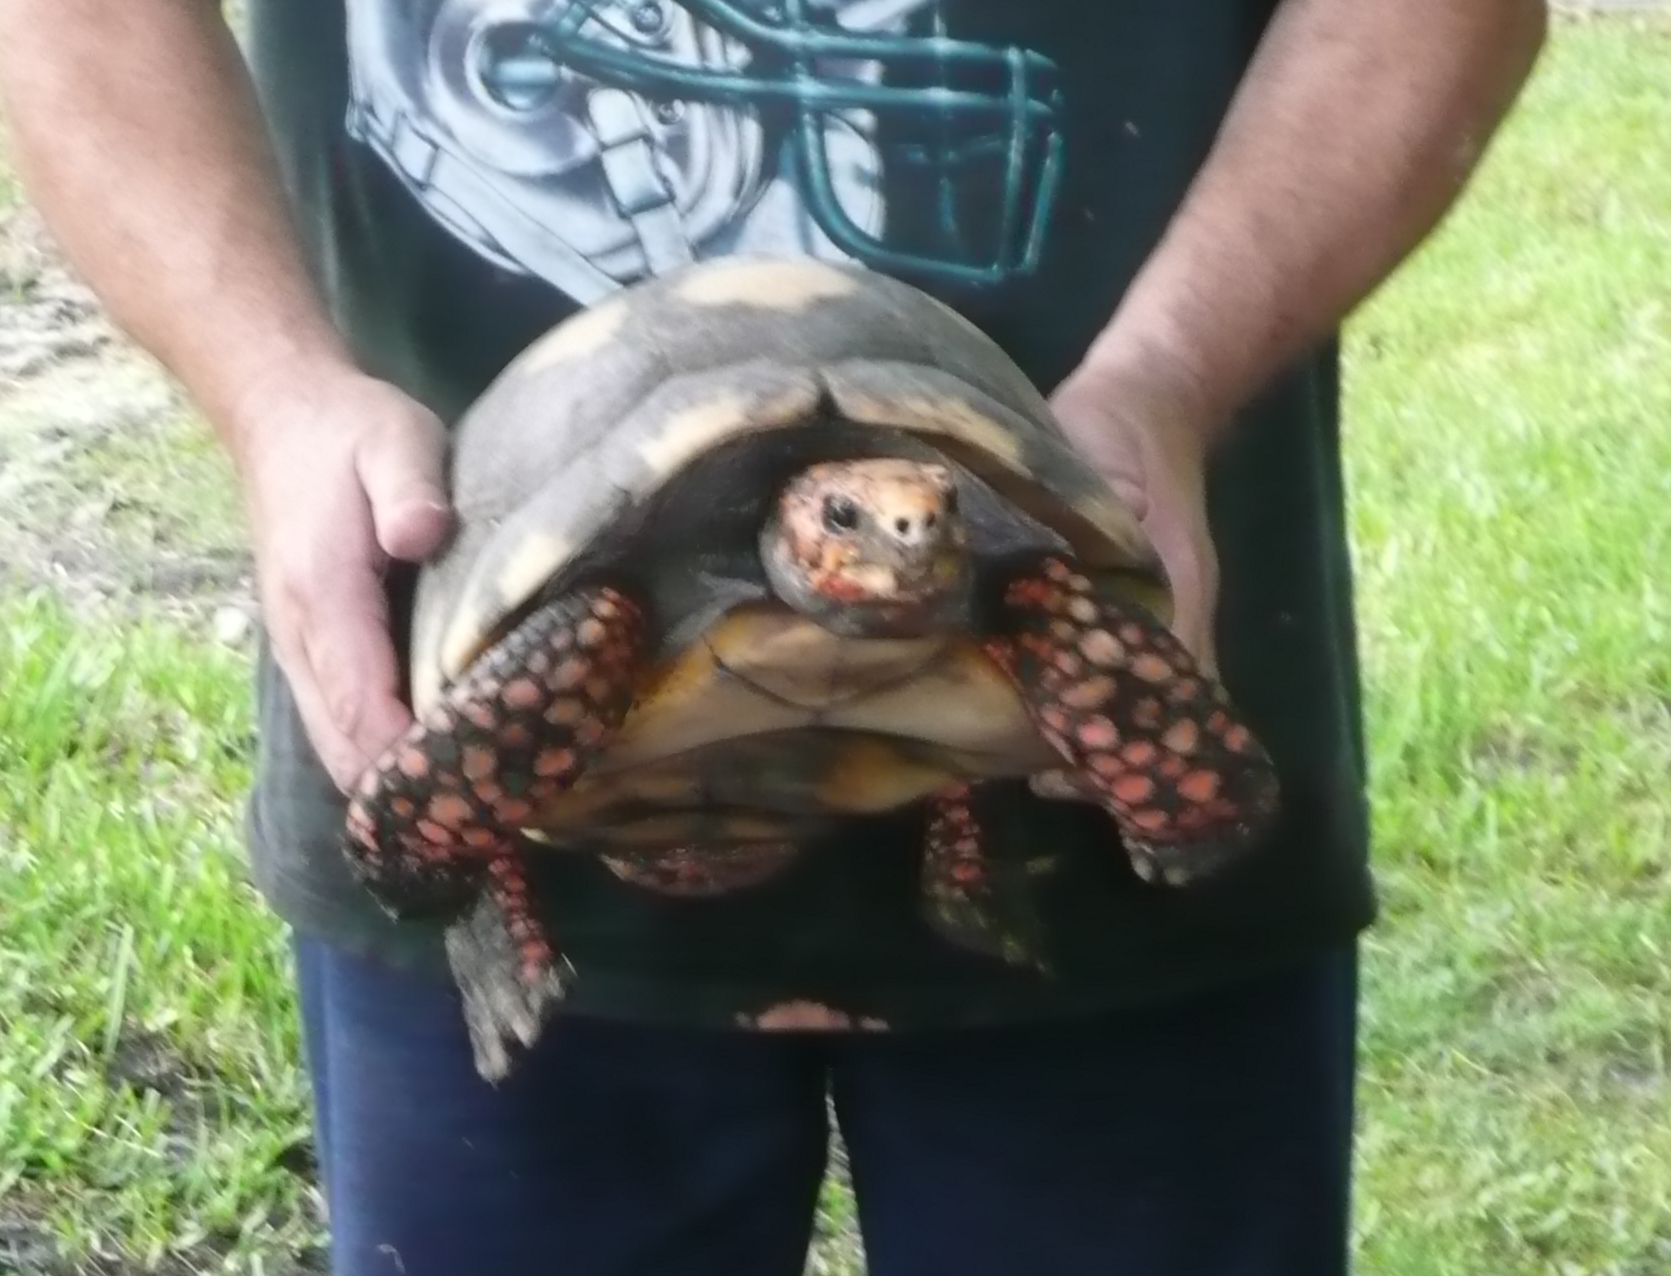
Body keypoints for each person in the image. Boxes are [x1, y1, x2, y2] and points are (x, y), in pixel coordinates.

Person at [0, 2, 1547, 1272]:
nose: (908, 546)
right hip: (479, 733)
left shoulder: (994, 565)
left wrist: (1169, 390)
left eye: (927, 524)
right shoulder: (610, 615)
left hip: (1114, 755)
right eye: (862, 527)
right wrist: (277, 393)